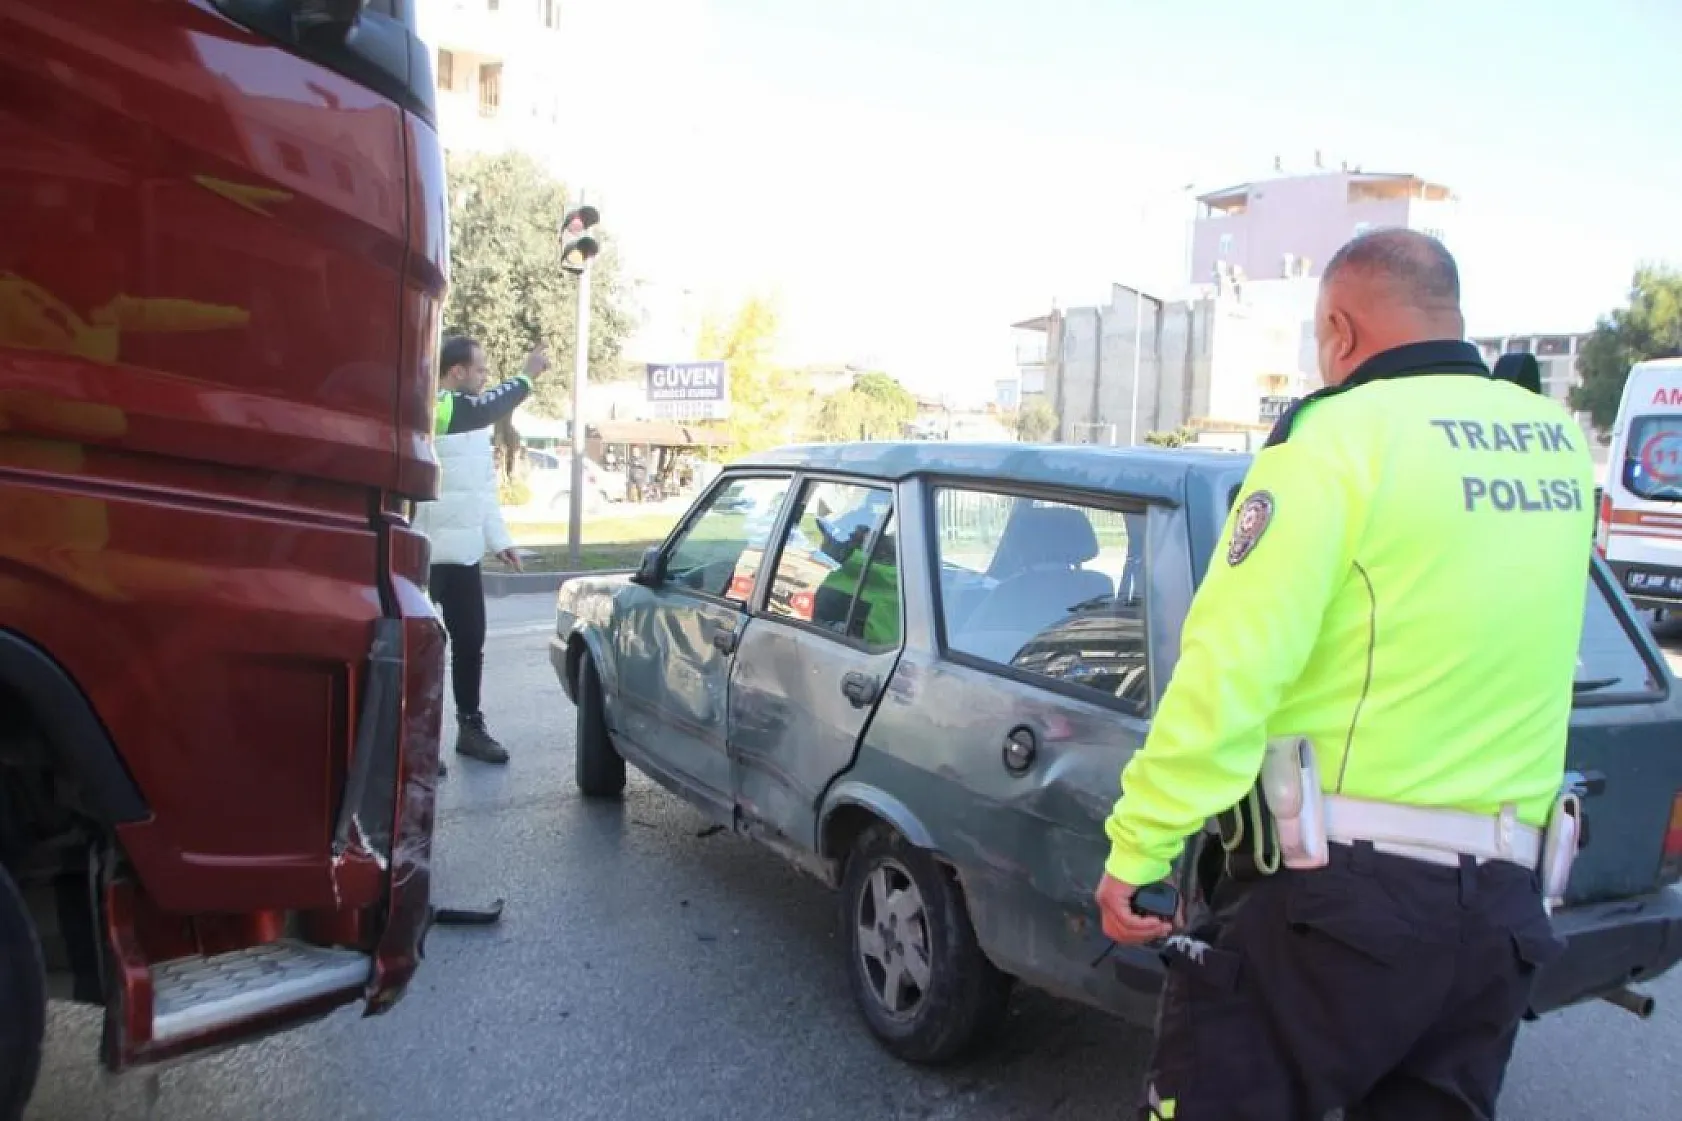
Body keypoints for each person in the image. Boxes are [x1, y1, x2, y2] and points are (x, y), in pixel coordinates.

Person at [1094, 228, 1596, 1120]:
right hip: (1502, 915)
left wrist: (1141, 847)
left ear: (1339, 328)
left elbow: (1231, 668)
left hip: (1337, 910)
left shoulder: (1337, 440)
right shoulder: (1556, 444)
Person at [414, 335, 549, 769]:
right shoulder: (434, 407)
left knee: (470, 643)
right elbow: (488, 406)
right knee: (421, 651)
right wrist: (526, 375)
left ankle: (470, 728)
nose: (485, 377)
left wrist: (501, 540)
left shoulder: (475, 425)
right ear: (456, 372)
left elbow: (483, 492)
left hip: (465, 556)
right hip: (424, 555)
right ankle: (416, 741)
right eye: (480, 370)